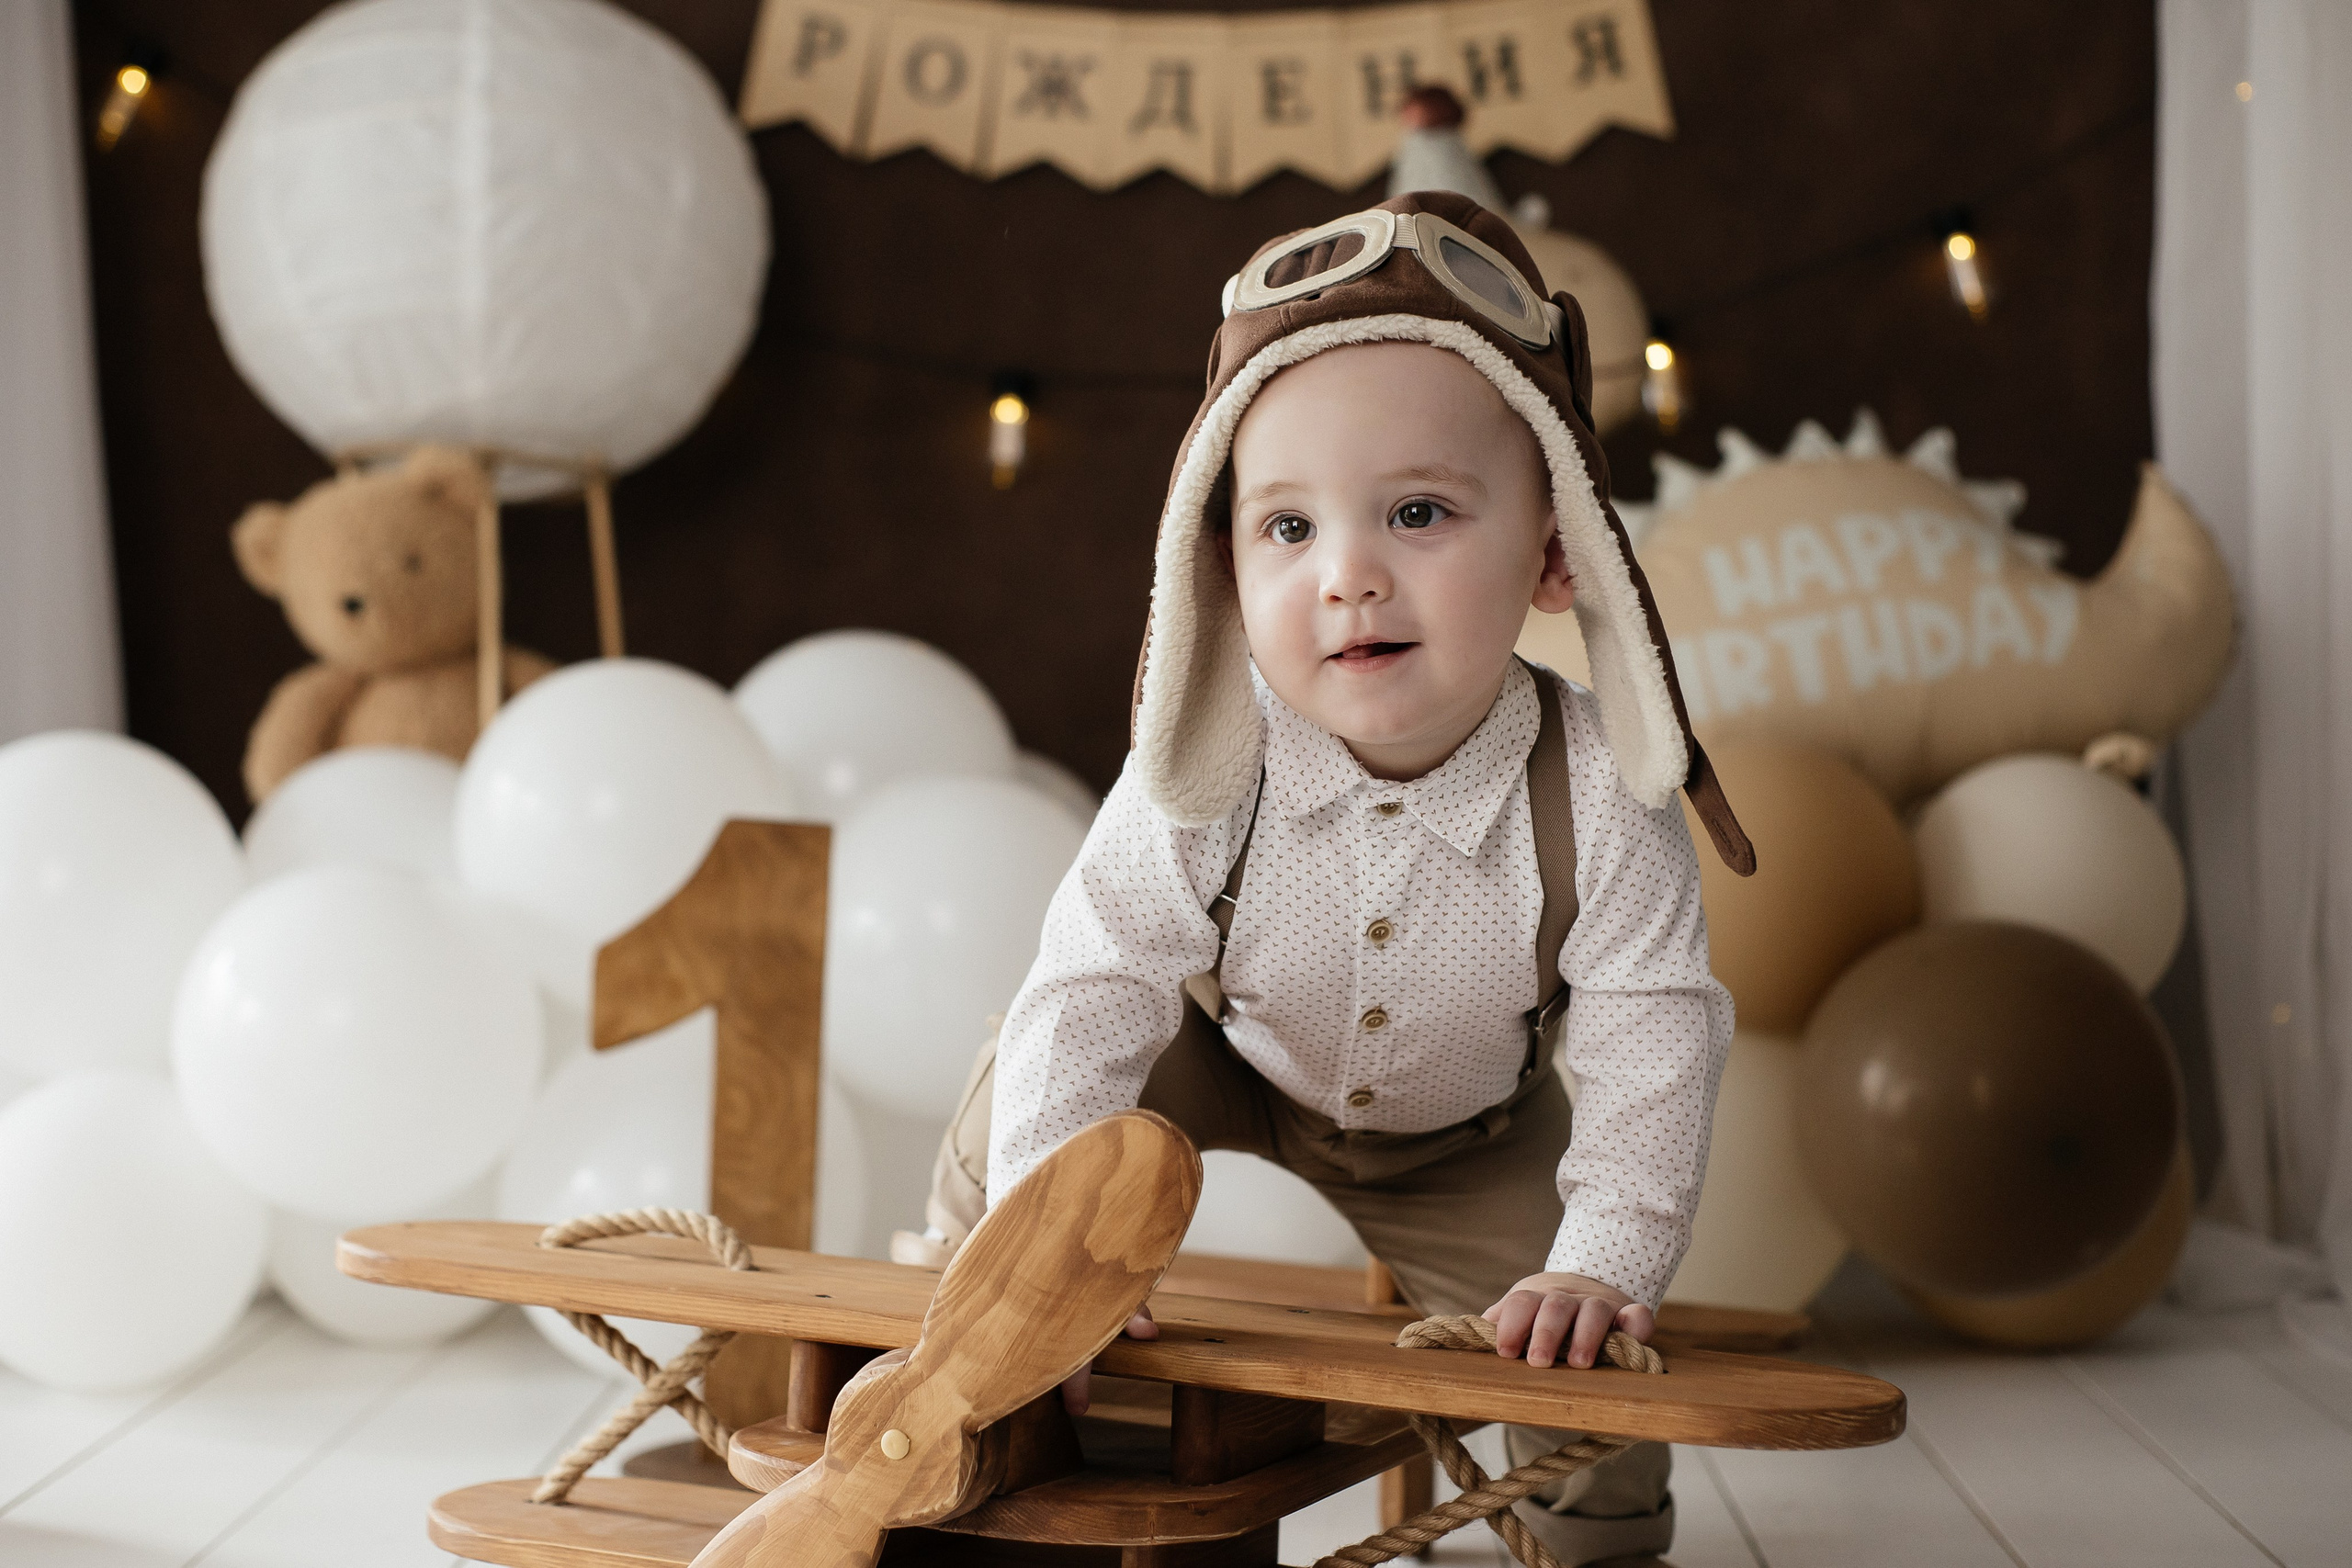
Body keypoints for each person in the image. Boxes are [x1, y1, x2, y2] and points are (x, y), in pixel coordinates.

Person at [900, 190, 1751, 1567]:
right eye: (1288, 530)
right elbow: (1098, 983)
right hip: (1233, 1067)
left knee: (1592, 1429)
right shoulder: (1210, 759)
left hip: (1472, 1146)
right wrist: (1047, 1246)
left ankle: (1602, 1538)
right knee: (1030, 1065)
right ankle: (963, 1308)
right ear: (1222, 569)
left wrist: (1602, 1261)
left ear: (1551, 553)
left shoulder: (1600, 789)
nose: (1348, 577)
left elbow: (1655, 1038)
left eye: (1417, 513)